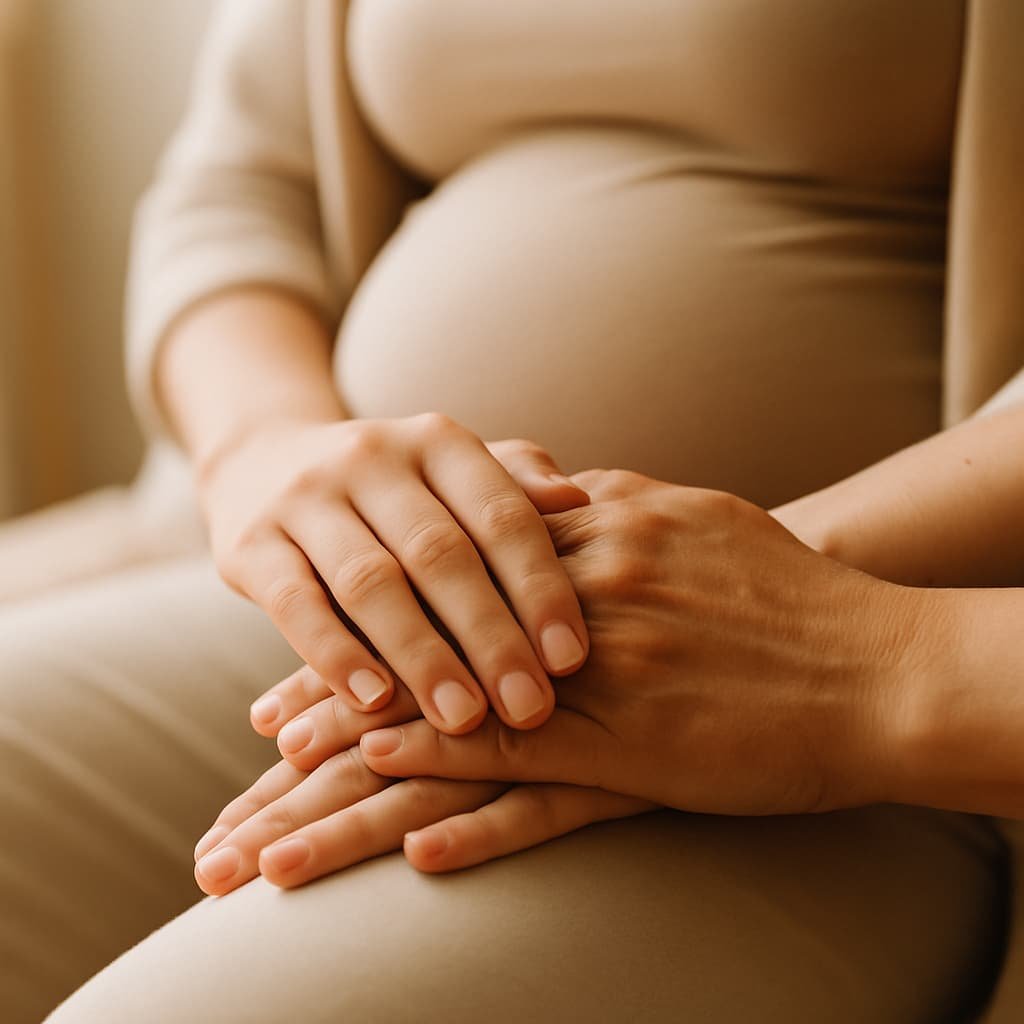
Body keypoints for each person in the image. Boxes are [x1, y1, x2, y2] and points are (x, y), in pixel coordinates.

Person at [3, 0, 1024, 1020]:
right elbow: (240, 192)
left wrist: (762, 599)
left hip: (837, 717)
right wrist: (264, 449)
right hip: (362, 631)